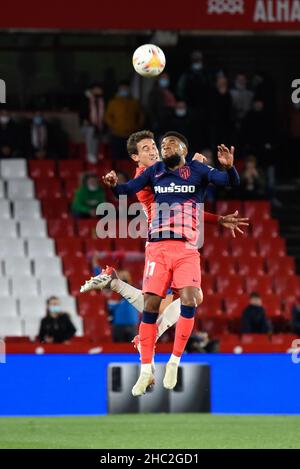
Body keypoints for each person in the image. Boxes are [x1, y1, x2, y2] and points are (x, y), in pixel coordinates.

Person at [101, 131, 240, 395]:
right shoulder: (149, 176)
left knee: (191, 297)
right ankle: (146, 350)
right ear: (135, 157)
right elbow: (138, 193)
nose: (155, 150)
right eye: (148, 148)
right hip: (159, 243)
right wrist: (114, 186)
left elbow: (191, 199)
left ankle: (166, 356)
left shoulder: (173, 169)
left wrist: (207, 178)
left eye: (157, 146)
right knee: (159, 303)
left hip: (183, 243)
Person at [105, 81, 145, 160]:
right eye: (122, 88)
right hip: (116, 134)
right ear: (119, 90)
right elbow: (107, 116)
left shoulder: (134, 103)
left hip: (131, 135)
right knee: (116, 156)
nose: (124, 90)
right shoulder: (113, 103)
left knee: (129, 157)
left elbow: (141, 115)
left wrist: (137, 126)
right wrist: (114, 126)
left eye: (126, 88)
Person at [107, 270, 139, 342]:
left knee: (133, 350)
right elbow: (110, 306)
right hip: (118, 325)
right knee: (119, 350)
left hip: (132, 324)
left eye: (126, 276)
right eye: (122, 276)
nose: (124, 278)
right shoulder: (113, 293)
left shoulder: (135, 291)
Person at [80, 82, 106, 164]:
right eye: (98, 89)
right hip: (88, 126)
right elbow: (82, 113)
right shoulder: (86, 99)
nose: (100, 91)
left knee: (98, 138)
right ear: (93, 90)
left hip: (99, 126)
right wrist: (86, 121)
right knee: (91, 134)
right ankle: (90, 154)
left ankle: (96, 155)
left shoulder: (102, 100)